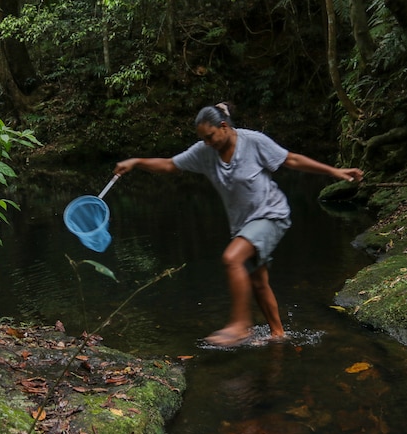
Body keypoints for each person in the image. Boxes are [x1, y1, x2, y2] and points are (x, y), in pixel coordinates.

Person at [114, 103, 364, 347]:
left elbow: (293, 160)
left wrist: (335, 172)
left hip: (271, 214)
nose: (208, 143)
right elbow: (170, 165)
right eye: (204, 139)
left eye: (210, 136)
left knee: (232, 258)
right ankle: (278, 334)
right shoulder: (205, 151)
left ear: (223, 126)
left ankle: (240, 325)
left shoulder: (253, 142)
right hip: (243, 225)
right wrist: (137, 162)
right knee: (257, 281)